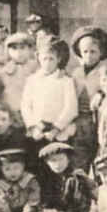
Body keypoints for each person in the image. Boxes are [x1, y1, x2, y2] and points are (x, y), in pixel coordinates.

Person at [21, 38, 82, 167]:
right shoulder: (32, 80)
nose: (47, 63)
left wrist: (55, 130)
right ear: (39, 59)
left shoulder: (66, 81)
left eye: (51, 59)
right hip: (37, 133)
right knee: (38, 166)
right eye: (44, 59)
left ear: (58, 60)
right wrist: (33, 127)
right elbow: (26, 106)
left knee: (59, 165)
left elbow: (71, 109)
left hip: (58, 133)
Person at [36, 142, 95, 212]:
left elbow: (81, 204)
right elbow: (45, 200)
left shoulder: (76, 178)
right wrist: (45, 211)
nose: (57, 164)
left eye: (61, 159)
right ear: (47, 163)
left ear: (68, 159)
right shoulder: (48, 179)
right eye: (52, 161)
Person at [0, 32, 39, 120]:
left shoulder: (38, 70)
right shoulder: (2, 73)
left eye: (22, 48)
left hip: (34, 115)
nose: (18, 52)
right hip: (11, 115)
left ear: (30, 49)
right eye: (14, 48)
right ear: (8, 51)